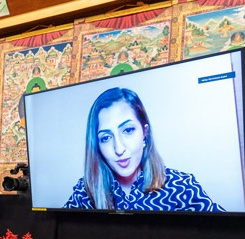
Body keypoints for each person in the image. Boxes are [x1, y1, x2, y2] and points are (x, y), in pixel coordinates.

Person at [64, 87, 224, 211]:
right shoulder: (85, 192)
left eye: (127, 130)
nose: (119, 149)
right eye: (106, 138)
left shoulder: (182, 187)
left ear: (145, 132)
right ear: (97, 146)